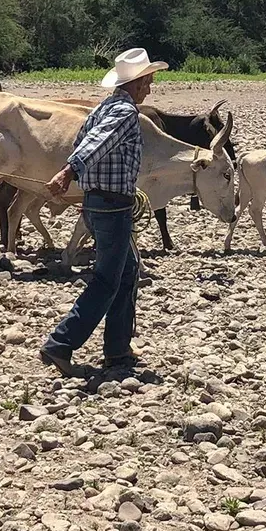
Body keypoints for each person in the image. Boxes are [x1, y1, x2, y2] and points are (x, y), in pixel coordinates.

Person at [40, 48, 168, 377]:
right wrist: (68, 172)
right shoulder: (124, 112)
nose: (150, 88)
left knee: (128, 270)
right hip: (112, 206)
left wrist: (75, 173)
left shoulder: (104, 106)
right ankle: (61, 342)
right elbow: (95, 143)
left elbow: (84, 139)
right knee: (108, 279)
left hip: (96, 203)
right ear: (136, 83)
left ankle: (117, 349)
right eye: (148, 82)